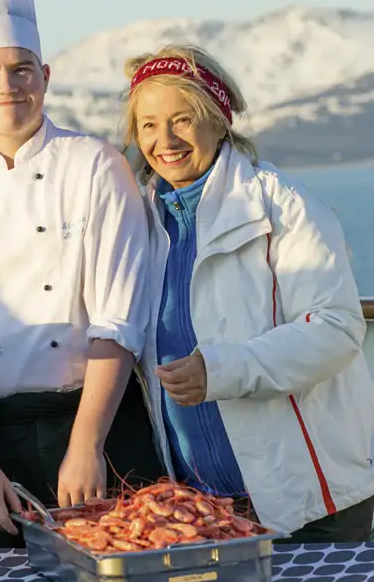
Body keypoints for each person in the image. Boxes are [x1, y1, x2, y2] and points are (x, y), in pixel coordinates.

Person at [0, 0, 165, 548]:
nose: (7, 86)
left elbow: (117, 318)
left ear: (45, 75)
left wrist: (86, 445)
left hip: (99, 425)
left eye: (21, 68)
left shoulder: (96, 167)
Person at [124, 44, 374, 542]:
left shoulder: (283, 204)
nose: (165, 139)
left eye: (182, 119)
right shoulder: (139, 220)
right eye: (148, 124)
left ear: (219, 119)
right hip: (199, 506)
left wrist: (218, 370)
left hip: (306, 501)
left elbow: (336, 326)